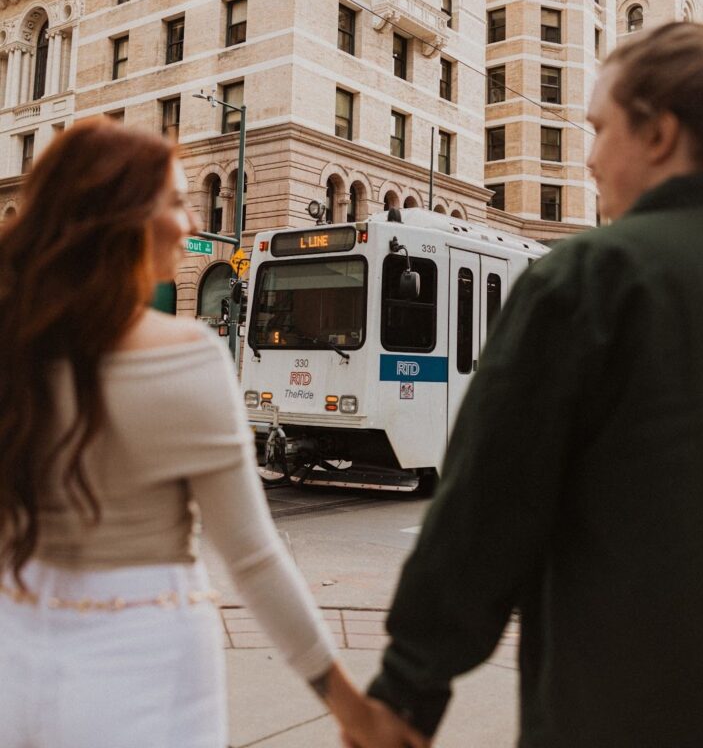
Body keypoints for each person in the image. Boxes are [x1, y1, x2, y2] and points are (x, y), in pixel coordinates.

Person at [363, 20, 703, 747]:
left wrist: (407, 688)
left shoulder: (590, 277)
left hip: (623, 710)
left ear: (660, 134)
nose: (588, 160)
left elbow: (488, 509)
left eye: (599, 128)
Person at [0, 119, 422, 748]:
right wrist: (348, 704)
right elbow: (252, 557)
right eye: (174, 200)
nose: (193, 224)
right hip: (146, 660)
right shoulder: (188, 355)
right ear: (121, 217)